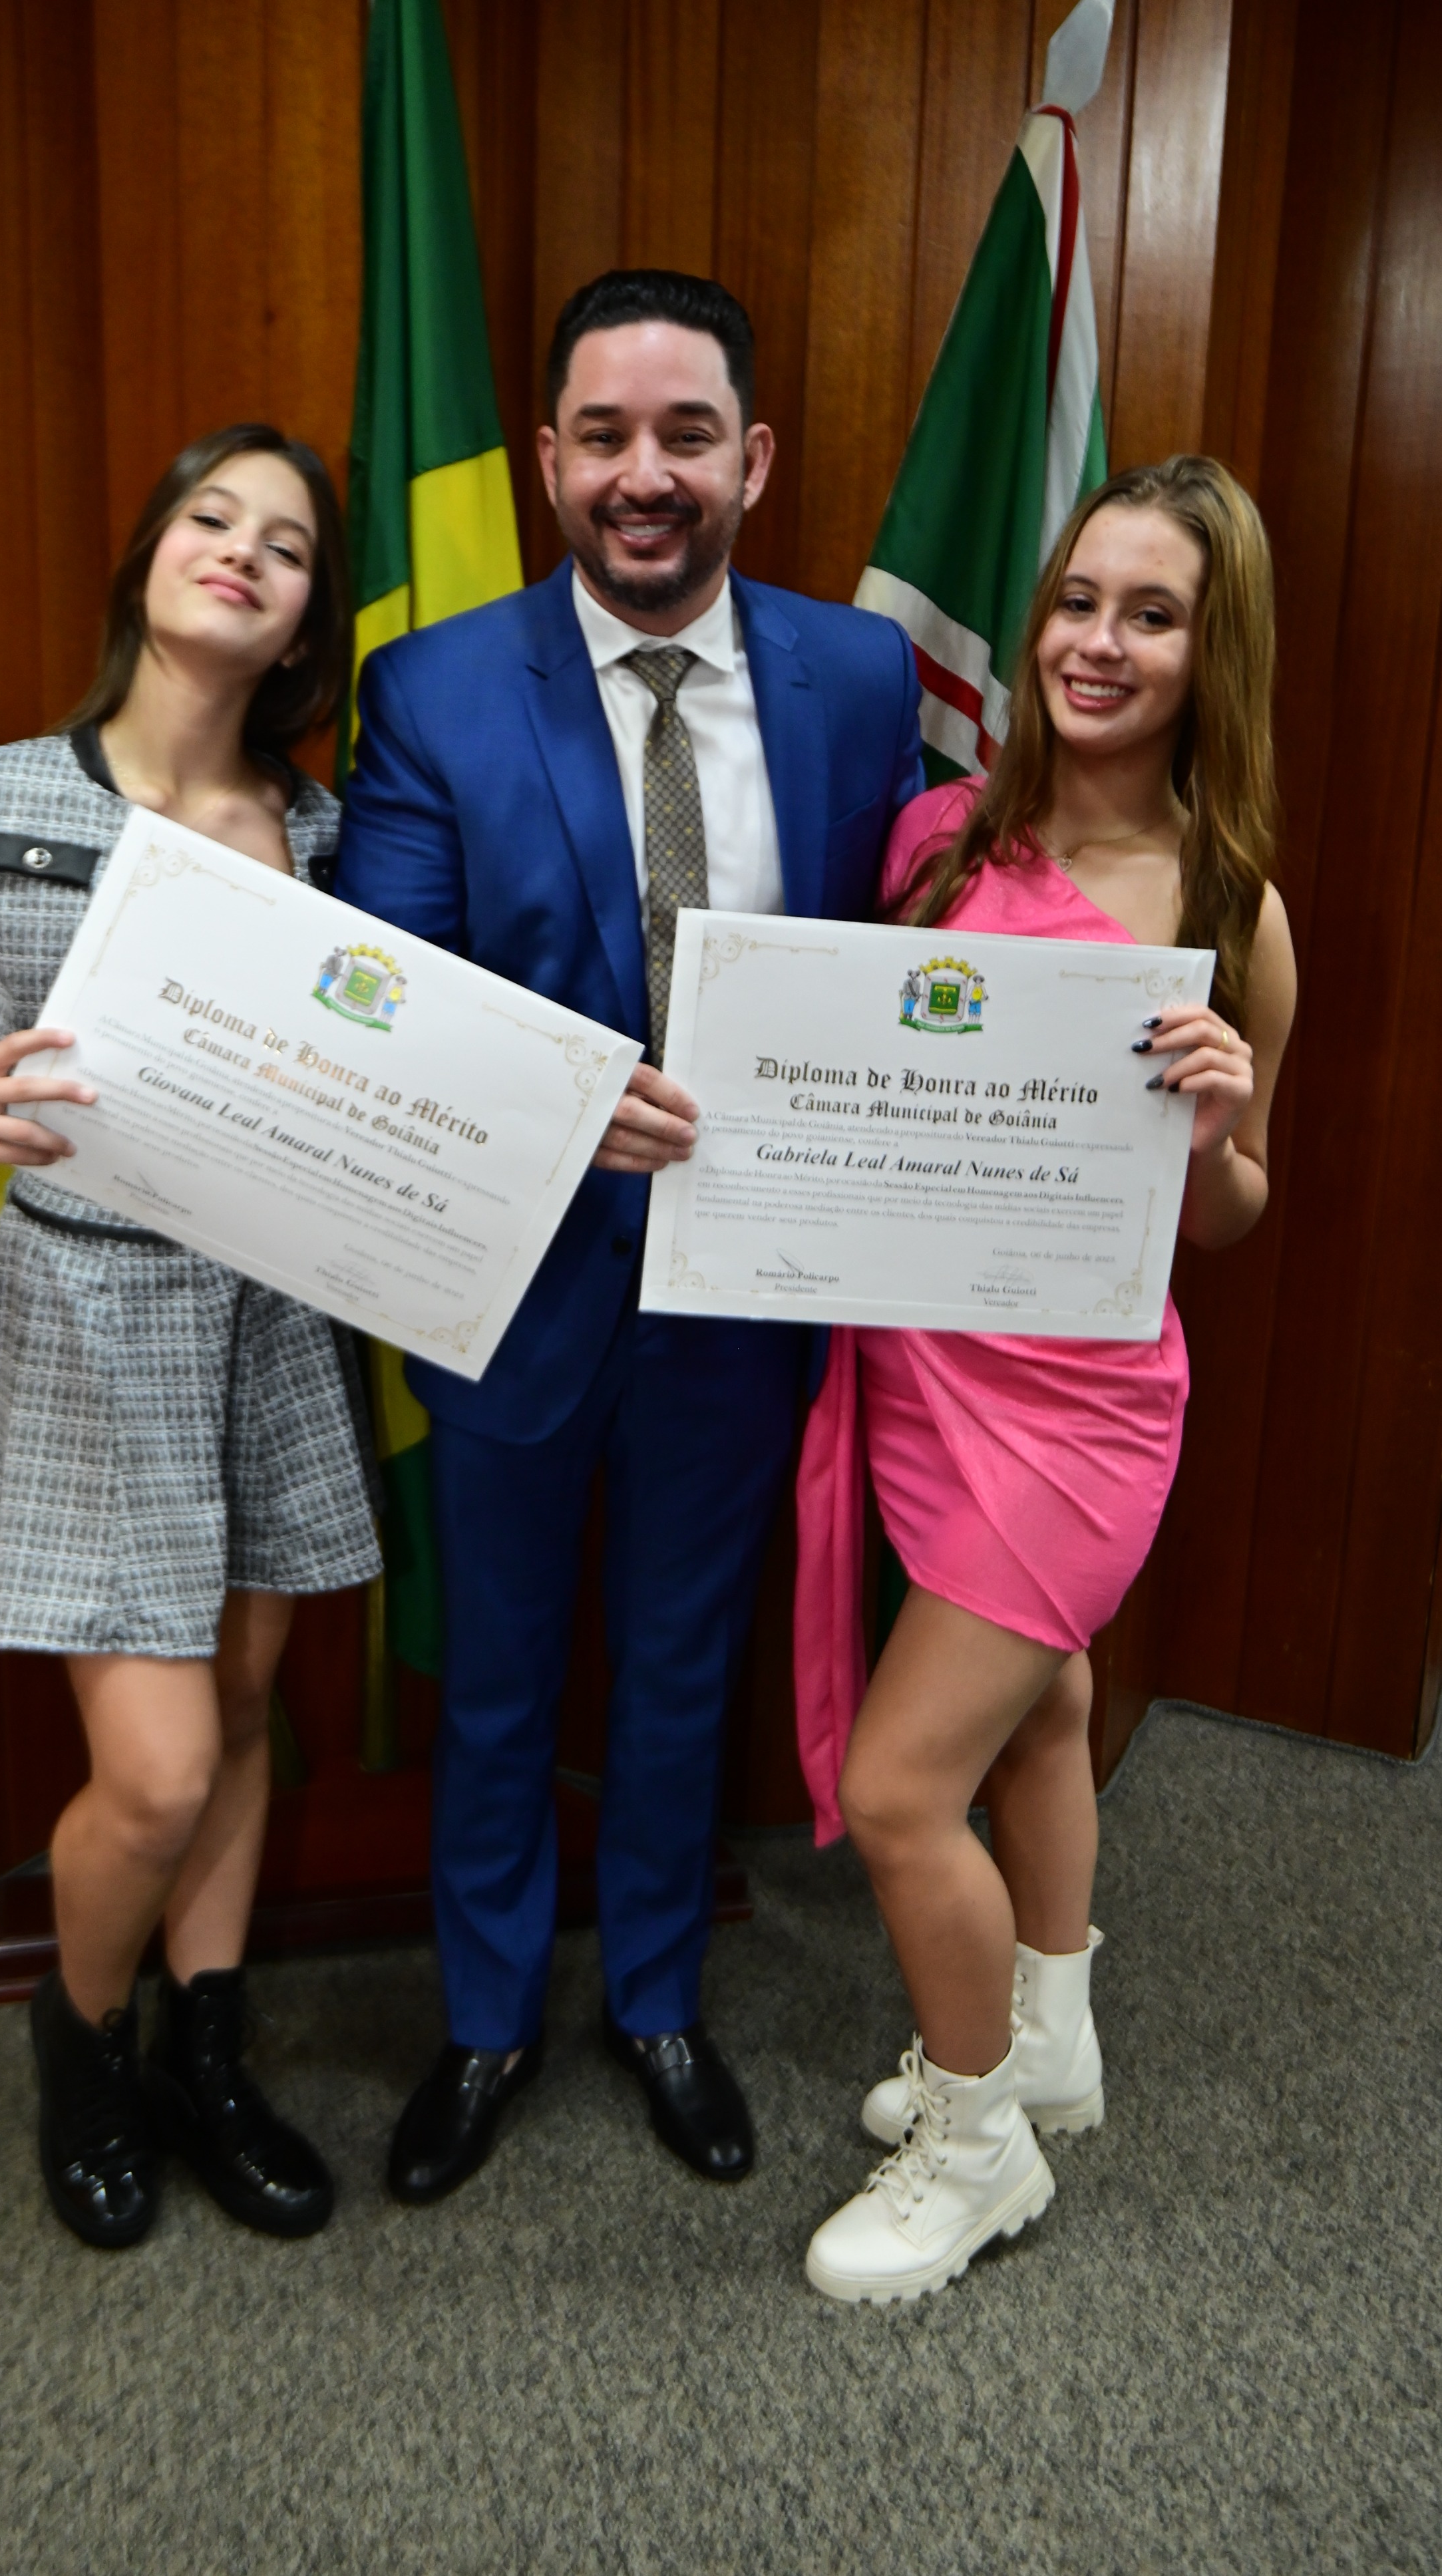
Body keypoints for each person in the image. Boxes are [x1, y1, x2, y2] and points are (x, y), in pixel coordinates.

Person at [337, 269, 924, 2203]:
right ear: (548, 460)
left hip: (749, 1290)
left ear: (755, 460)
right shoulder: (433, 689)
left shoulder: (860, 679)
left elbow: (930, 944)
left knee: (681, 1668)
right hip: (508, 1287)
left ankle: (660, 1998)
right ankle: (488, 2017)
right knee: (500, 1678)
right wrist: (563, 1101)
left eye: (686, 435)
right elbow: (393, 990)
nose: (642, 476)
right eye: (603, 436)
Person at [0, 426, 383, 2250]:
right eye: (212, 517)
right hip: (83, 1319)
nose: (243, 551)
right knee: (153, 1771)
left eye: (285, 545)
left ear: (305, 623)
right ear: (147, 557)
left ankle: (209, 2057)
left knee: (241, 1710)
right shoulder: (1, 798)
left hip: (271, 1312)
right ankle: (83, 2040)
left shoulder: (326, 831)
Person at [795, 454, 1298, 2305]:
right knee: (1041, 1712)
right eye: (1079, 600)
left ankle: (976, 2142)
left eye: (1150, 614)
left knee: (898, 1787)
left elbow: (1231, 1220)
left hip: (1077, 1410)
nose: (1098, 641)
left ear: (1208, 650)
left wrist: (1218, 1129)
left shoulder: (1232, 902)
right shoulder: (936, 839)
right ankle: (1051, 2043)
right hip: (920, 1366)